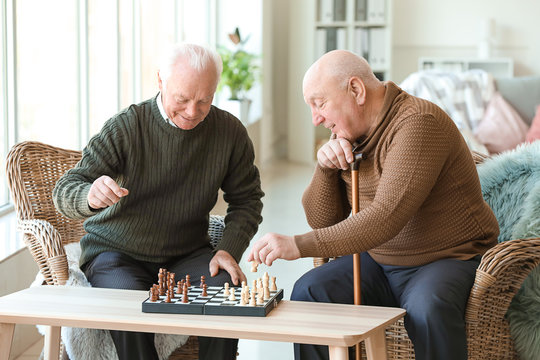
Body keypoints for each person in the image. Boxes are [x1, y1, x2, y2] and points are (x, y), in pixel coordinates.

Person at [248, 50, 499, 360]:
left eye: (320, 103)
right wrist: (325, 169)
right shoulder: (352, 134)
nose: (316, 118)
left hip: (444, 260)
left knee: (428, 308)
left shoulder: (419, 123)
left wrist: (297, 245)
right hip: (380, 261)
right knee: (310, 292)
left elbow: (385, 218)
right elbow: (322, 221)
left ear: (356, 90)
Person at [53, 43, 264, 360]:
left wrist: (227, 250)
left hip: (186, 254)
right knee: (127, 307)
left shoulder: (230, 133)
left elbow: (247, 201)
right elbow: (66, 188)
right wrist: (89, 195)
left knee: (228, 293)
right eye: (182, 99)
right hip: (116, 254)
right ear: (160, 81)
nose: (192, 111)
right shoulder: (128, 126)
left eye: (204, 100)